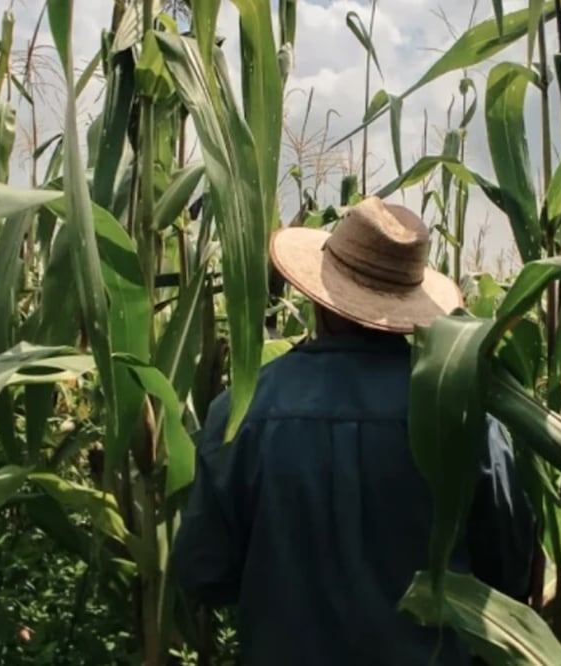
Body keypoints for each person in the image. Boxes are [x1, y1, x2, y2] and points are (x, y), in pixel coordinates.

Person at [171, 196, 536, 665]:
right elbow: (509, 574)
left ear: (319, 297)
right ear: (409, 305)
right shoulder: (464, 416)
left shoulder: (242, 412)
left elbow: (204, 572)